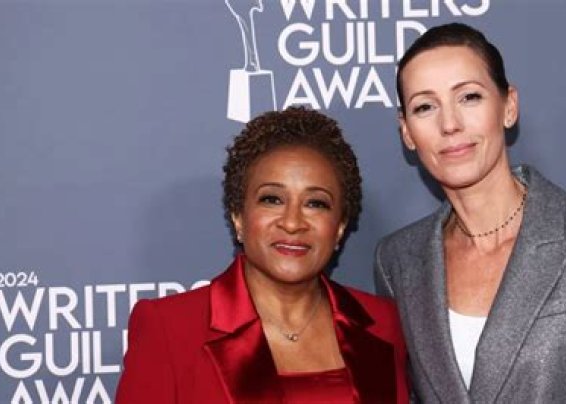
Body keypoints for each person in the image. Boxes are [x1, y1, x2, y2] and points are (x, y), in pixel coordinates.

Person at [374, 22, 566, 403]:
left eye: (469, 97)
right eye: (425, 107)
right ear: (406, 132)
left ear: (508, 106)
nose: (450, 124)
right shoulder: (398, 260)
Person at [117, 106, 410, 403]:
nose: (292, 222)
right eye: (272, 199)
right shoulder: (169, 329)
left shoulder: (384, 322)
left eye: (315, 203)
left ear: (340, 227)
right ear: (238, 217)